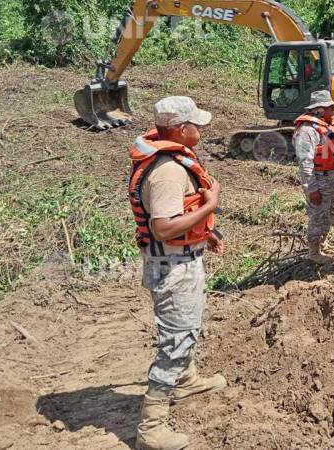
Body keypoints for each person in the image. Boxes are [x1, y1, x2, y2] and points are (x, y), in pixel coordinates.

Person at [128, 97, 228, 450]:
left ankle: (185, 379)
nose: (200, 130)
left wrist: (206, 232)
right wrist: (212, 205)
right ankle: (151, 429)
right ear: (181, 129)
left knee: (188, 326)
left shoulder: (171, 160)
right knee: (176, 341)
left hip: (181, 259)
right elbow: (164, 228)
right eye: (196, 125)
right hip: (172, 267)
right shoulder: (168, 171)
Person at [292, 90, 334, 264]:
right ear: (320, 109)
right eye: (331, 107)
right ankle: (314, 252)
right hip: (319, 181)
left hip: (333, 178)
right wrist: (312, 190)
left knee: (331, 213)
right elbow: (305, 163)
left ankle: (323, 243)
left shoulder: (327, 125)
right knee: (318, 217)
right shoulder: (306, 132)